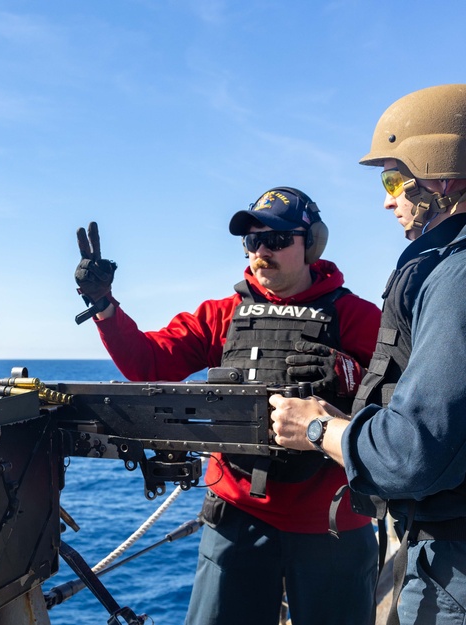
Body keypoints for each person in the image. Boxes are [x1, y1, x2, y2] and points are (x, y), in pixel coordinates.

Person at [269, 84, 466, 624]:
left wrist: (320, 428)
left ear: (442, 176)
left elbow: (411, 456)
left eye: (393, 179)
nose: (387, 200)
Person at [73, 187, 381, 625]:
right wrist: (103, 305)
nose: (261, 251)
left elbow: (404, 401)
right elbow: (149, 363)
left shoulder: (358, 318)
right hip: (237, 516)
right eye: (252, 241)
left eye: (275, 240)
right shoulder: (223, 315)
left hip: (331, 523)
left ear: (311, 244)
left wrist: (351, 378)